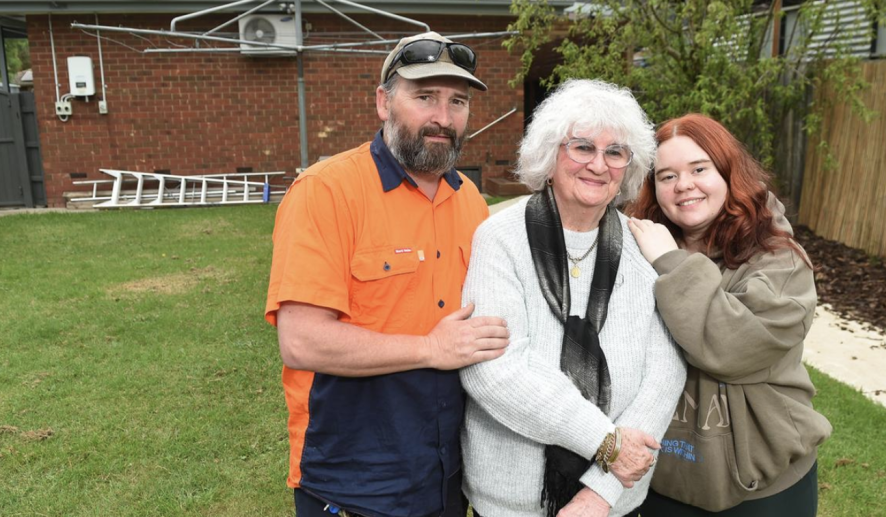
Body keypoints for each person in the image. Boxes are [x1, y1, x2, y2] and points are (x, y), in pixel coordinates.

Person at [264, 32, 510, 517]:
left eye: (457, 101)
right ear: (383, 102)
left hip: (448, 473)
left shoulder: (472, 203)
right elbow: (303, 341)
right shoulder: (326, 191)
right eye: (424, 97)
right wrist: (430, 349)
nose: (443, 117)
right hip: (354, 476)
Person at [459, 79, 687, 517]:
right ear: (549, 155)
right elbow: (494, 370)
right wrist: (606, 443)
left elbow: (665, 372)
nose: (599, 165)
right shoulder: (499, 240)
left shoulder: (646, 249)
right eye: (582, 147)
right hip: (511, 501)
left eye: (615, 152)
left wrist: (601, 491)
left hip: (614, 500)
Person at [625, 113, 832, 517]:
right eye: (666, 176)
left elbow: (731, 348)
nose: (683, 185)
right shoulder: (638, 252)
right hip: (658, 476)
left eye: (699, 169)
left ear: (728, 172)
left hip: (764, 488)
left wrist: (670, 262)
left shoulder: (780, 262)